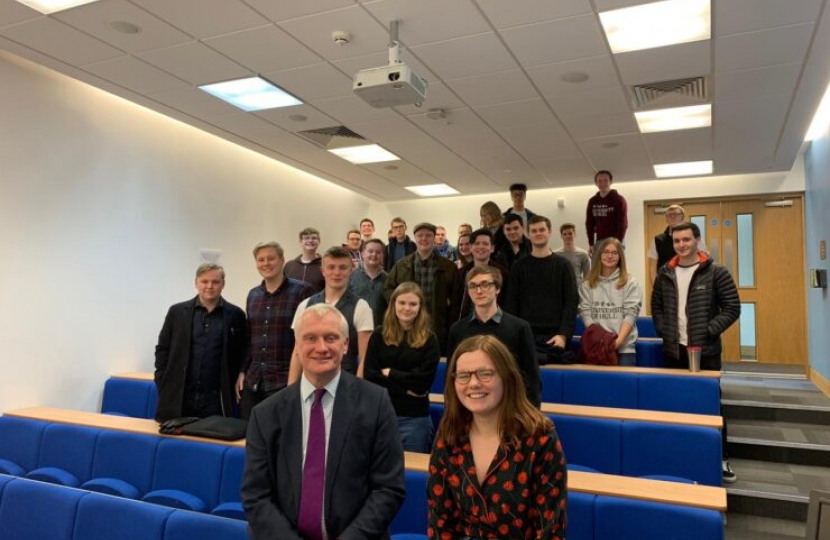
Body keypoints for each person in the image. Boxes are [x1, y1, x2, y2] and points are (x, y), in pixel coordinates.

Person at [242, 304, 406, 540]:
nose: (321, 347)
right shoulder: (265, 413)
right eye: (310, 338)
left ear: (346, 345)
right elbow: (255, 495)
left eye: (331, 337)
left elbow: (389, 488)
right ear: (297, 346)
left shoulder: (375, 402)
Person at [427, 335, 567, 540]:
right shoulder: (449, 435)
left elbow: (550, 531)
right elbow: (440, 525)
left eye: (485, 374)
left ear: (506, 377)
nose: (473, 383)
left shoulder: (540, 438)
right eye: (463, 375)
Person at [651, 221, 741, 483]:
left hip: (706, 351)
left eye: (686, 240)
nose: (681, 245)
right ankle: (682, 457)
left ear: (697, 240)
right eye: (677, 241)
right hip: (673, 350)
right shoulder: (665, 273)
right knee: (676, 404)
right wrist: (663, 329)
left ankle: (720, 458)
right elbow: (657, 308)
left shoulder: (716, 272)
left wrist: (709, 330)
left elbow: (732, 308)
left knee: (711, 406)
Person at [154, 263, 246, 422]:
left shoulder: (235, 314)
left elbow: (243, 350)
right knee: (176, 443)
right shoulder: (177, 312)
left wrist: (242, 372)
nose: (209, 286)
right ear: (196, 283)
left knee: (211, 445)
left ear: (223, 284)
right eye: (204, 281)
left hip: (215, 400)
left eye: (215, 282)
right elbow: (163, 348)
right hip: (180, 396)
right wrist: (161, 378)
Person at [239, 242, 314, 419]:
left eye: (271, 258)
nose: (266, 263)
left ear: (282, 260)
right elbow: (250, 337)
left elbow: (308, 338)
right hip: (254, 380)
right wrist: (243, 370)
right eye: (261, 260)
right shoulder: (253, 295)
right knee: (250, 437)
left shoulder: (303, 291)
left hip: (286, 380)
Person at [447, 266, 540, 407]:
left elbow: (532, 379)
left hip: (510, 408)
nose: (479, 291)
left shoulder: (519, 328)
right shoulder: (457, 330)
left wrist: (531, 416)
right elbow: (451, 378)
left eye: (485, 285)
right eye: (473, 286)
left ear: (497, 288)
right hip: (471, 408)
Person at [364, 282, 441, 453]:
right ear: (393, 305)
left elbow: (423, 383)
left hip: (414, 419)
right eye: (402, 303)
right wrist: (406, 389)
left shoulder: (430, 340)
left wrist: (390, 373)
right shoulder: (378, 335)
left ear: (420, 307)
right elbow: (371, 377)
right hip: (381, 415)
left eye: (413, 304)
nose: (407, 308)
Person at [290, 247, 374, 378]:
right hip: (311, 383)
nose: (337, 272)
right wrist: (292, 391)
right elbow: (297, 352)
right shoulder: (305, 305)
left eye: (342, 267)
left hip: (345, 383)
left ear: (351, 269)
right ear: (322, 270)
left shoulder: (361, 307)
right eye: (331, 267)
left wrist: (357, 392)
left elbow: (365, 358)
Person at [505, 215, 579, 364]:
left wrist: (563, 335)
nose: (538, 233)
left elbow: (571, 302)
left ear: (550, 232)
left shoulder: (564, 266)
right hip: (525, 336)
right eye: (534, 231)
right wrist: (515, 336)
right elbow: (511, 304)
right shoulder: (518, 267)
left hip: (556, 338)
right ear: (528, 234)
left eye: (542, 230)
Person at [384, 222, 457, 353]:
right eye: (420, 235)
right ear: (415, 238)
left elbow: (455, 295)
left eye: (428, 235)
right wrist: (399, 303)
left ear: (434, 238)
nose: (424, 239)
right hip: (407, 325)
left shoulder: (449, 267)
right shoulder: (401, 265)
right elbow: (387, 289)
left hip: (436, 325)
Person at [578, 238, 642, 366]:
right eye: (606, 252)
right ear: (599, 255)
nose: (609, 256)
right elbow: (585, 313)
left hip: (624, 349)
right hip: (596, 347)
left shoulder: (631, 283)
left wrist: (617, 342)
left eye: (614, 252)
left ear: (620, 257)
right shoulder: (587, 284)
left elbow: (630, 314)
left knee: (623, 386)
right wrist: (601, 340)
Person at [450, 228, 509, 323]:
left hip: (496, 324)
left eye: (485, 244)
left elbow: (507, 304)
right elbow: (455, 305)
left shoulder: (503, 273)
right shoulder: (461, 273)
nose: (481, 247)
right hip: (467, 324)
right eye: (477, 243)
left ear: (492, 248)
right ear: (471, 247)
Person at [648, 204, 708, 283]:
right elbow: (652, 269)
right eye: (669, 215)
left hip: (691, 280)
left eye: (676, 214)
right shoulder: (657, 240)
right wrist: (657, 289)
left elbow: (705, 259)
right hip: (666, 283)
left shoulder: (694, 237)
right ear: (666, 219)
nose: (672, 216)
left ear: (682, 217)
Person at [585, 170, 627, 255]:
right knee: (597, 266)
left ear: (610, 182)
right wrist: (591, 243)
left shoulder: (619, 200)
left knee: (615, 266)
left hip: (616, 239)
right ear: (596, 183)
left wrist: (617, 242)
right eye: (599, 181)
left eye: (605, 180)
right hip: (600, 240)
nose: (602, 183)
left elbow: (623, 224)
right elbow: (589, 223)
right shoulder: (593, 201)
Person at [348, 238, 387, 327]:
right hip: (355, 328)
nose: (374, 254)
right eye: (370, 251)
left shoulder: (388, 279)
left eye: (378, 252)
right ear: (362, 254)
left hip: (379, 329)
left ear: (382, 255)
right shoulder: (351, 277)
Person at [284, 227, 325, 293]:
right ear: (300, 242)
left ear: (319, 242)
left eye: (314, 238)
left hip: (316, 303)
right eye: (306, 238)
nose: (310, 240)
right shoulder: (289, 265)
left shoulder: (325, 265)